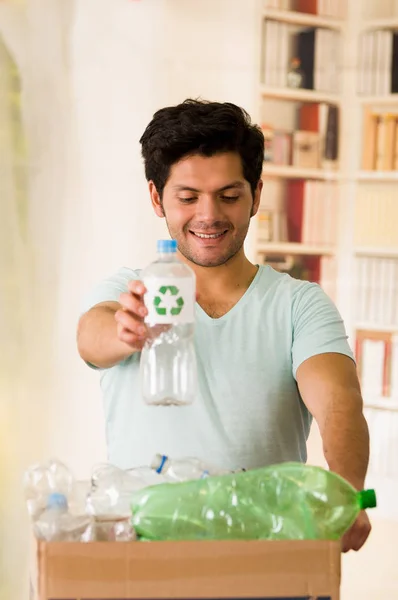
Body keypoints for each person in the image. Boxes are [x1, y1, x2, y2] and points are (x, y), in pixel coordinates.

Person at [77, 99, 371, 551]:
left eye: (229, 196)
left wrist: (346, 493)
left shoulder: (299, 305)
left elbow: (338, 404)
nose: (209, 215)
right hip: (142, 554)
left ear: (256, 194)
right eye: (188, 197)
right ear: (157, 198)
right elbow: (91, 338)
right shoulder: (129, 291)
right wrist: (124, 330)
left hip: (265, 555)